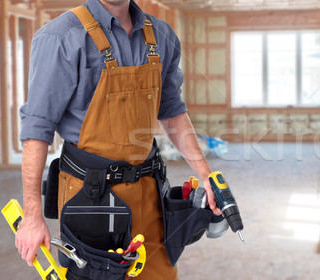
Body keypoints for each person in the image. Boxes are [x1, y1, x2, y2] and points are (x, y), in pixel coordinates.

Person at [14, 0, 221, 279]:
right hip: (89, 198)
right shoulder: (61, 37)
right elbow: (37, 129)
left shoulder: (160, 35)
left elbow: (172, 112)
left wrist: (206, 176)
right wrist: (31, 215)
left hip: (149, 194)